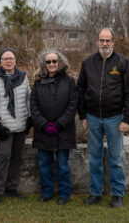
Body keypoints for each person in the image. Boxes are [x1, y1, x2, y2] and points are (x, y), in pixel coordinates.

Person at [77, 28, 129, 208]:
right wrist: (83, 116)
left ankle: (117, 194)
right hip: (93, 118)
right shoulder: (87, 63)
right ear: (97, 41)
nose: (104, 44)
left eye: (107, 40)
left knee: (116, 158)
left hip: (115, 119)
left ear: (113, 42)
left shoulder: (123, 63)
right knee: (94, 158)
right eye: (101, 40)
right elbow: (80, 90)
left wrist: (126, 118)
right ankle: (95, 193)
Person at [30, 50, 77, 205]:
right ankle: (47, 192)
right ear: (44, 64)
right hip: (43, 131)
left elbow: (72, 105)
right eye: (48, 62)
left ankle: (64, 194)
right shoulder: (38, 82)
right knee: (44, 165)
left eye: (54, 61)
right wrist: (44, 124)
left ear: (60, 63)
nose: (51, 64)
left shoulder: (69, 81)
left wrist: (59, 124)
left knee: (63, 165)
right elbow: (34, 106)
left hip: (63, 131)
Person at [0, 48, 31, 205]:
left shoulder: (23, 77)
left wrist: (29, 118)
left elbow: (28, 99)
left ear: (15, 61)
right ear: (0, 62)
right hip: (4, 127)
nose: (8, 61)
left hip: (21, 126)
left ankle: (12, 189)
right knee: (4, 158)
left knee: (17, 158)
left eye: (11, 58)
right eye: (5, 58)